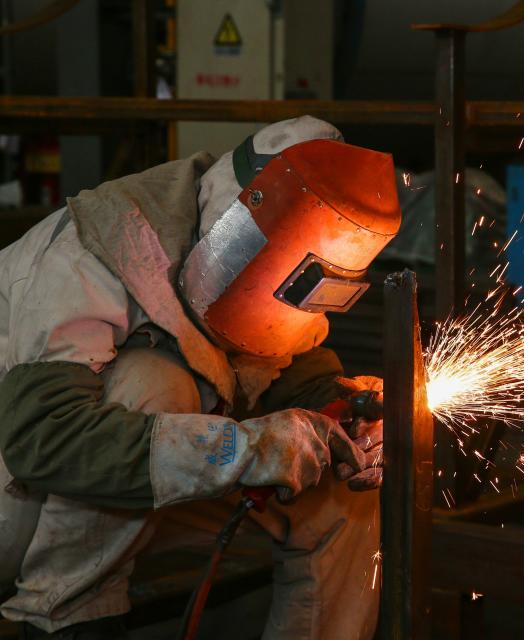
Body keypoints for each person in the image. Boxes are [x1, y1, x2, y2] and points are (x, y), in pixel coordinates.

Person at [0, 116, 400, 639]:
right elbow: (44, 438)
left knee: (343, 488)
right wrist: (249, 448)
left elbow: (287, 365)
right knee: (158, 385)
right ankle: (69, 618)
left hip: (136, 503)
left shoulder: (285, 261)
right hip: (19, 501)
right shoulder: (96, 248)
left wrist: (345, 409)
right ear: (234, 223)